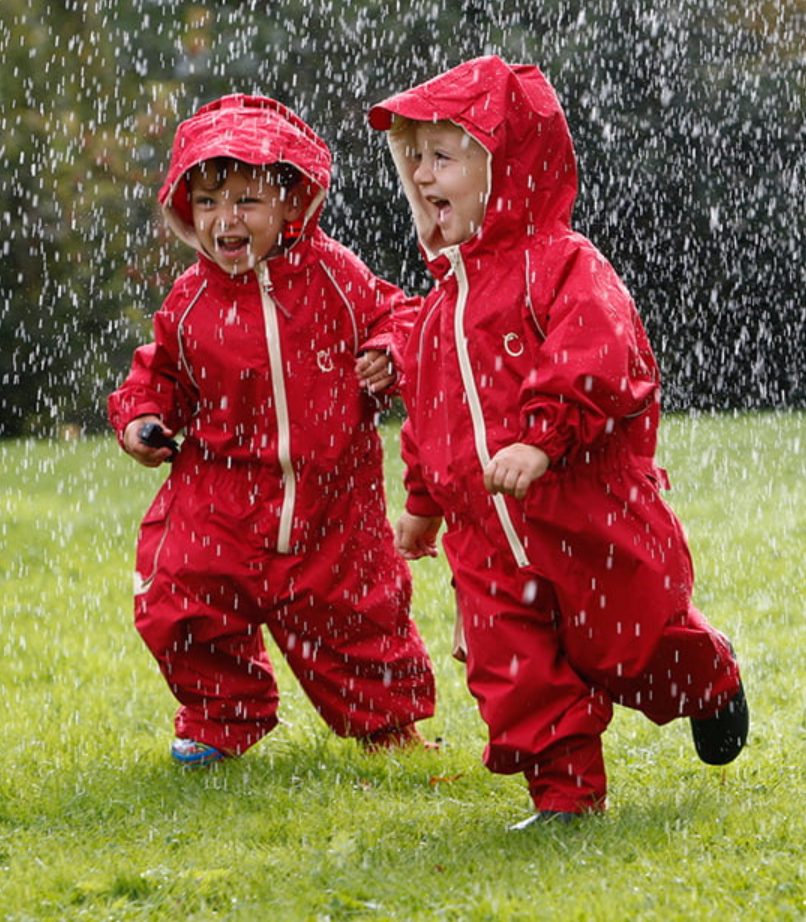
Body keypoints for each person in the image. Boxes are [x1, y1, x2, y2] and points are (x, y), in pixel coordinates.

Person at [367, 56, 748, 824]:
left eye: (444, 154)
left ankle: (705, 681)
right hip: (489, 548)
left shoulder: (563, 267)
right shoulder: (439, 311)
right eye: (414, 160)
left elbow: (601, 360)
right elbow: (432, 419)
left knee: (630, 645)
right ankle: (566, 796)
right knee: (516, 673)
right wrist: (421, 507)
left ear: (507, 165)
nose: (424, 173)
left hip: (587, 520)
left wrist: (543, 441)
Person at [108, 94, 436, 766]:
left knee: (357, 613)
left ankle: (386, 727)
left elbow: (402, 314)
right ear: (185, 211)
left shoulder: (335, 276)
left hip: (332, 497)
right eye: (206, 202)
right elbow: (158, 374)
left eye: (245, 201)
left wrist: (391, 349)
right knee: (181, 598)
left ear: (293, 203)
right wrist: (142, 418)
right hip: (219, 497)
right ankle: (219, 716)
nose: (224, 220)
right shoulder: (189, 300)